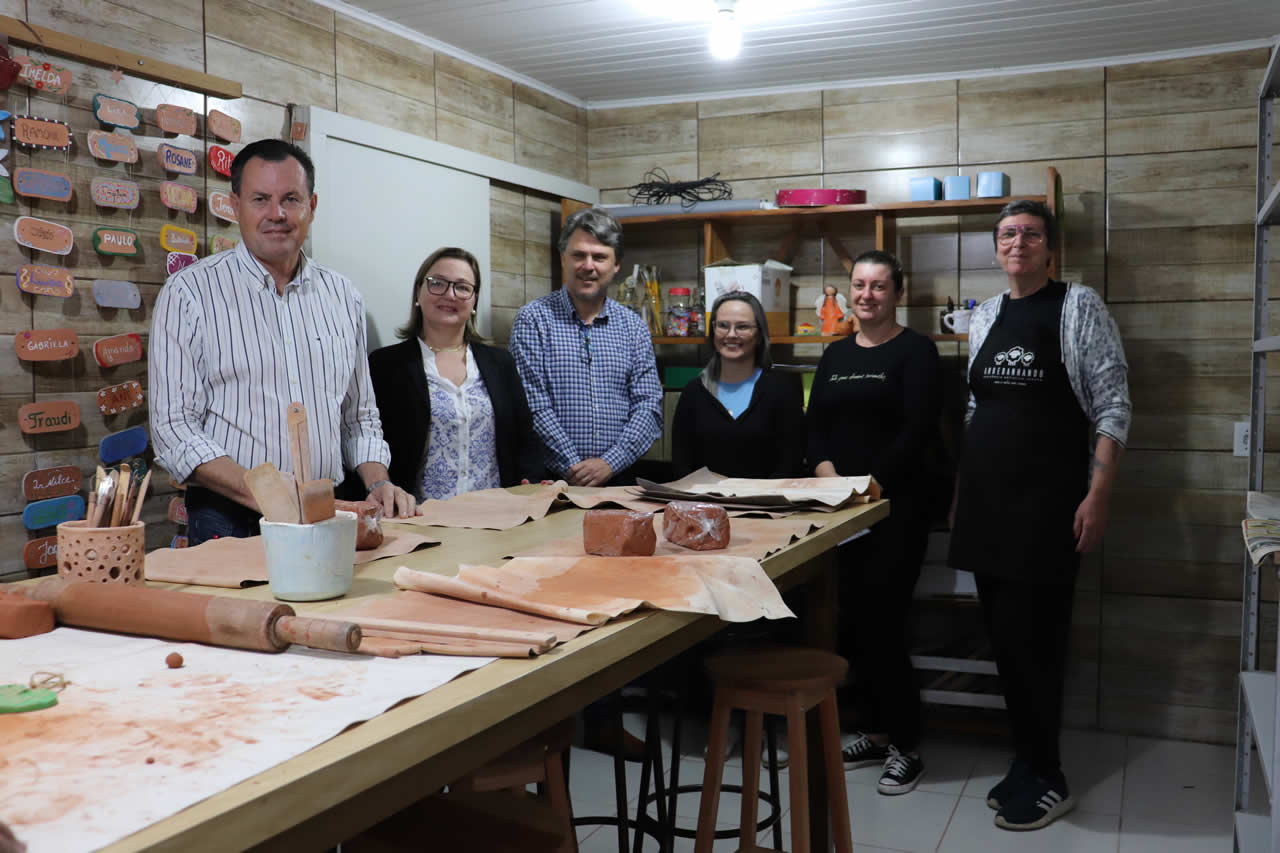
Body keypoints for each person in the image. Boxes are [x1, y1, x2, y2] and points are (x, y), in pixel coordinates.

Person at [949, 200, 1130, 831]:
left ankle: (1051, 774)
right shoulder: (987, 315)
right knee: (1002, 640)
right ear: (995, 247)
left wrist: (1098, 493)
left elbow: (1112, 405)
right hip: (987, 505)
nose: (1017, 241)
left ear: (1049, 248)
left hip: (1049, 506)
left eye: (1030, 233)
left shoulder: (1077, 306)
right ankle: (1025, 762)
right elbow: (977, 406)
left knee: (1040, 644)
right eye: (1007, 233)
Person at [150, 138, 415, 546]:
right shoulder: (190, 293)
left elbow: (358, 416)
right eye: (261, 199)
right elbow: (174, 429)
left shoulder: (344, 296)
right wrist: (273, 494)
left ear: (312, 205)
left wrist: (377, 481)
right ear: (235, 205)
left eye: (290, 198)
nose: (277, 214)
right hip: (232, 518)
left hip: (333, 507)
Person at [807, 249, 942, 796]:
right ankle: (876, 728)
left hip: (897, 507)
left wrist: (871, 484)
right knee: (853, 622)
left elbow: (917, 430)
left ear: (897, 293)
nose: (866, 295)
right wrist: (826, 472)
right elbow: (814, 426)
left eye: (878, 286)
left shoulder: (917, 352)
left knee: (885, 622)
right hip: (841, 511)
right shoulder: (835, 355)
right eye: (858, 285)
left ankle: (907, 746)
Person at [368, 247, 544, 499]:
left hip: (496, 520)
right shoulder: (386, 365)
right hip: (419, 521)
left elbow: (526, 439)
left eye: (462, 287)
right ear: (418, 292)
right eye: (437, 283)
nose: (449, 294)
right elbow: (372, 444)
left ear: (474, 300)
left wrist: (530, 488)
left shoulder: (500, 363)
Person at [509, 207, 663, 487]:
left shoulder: (634, 327)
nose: (588, 265)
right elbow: (533, 405)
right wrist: (574, 468)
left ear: (616, 265)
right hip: (552, 483)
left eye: (600, 257)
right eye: (579, 255)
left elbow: (648, 405)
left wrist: (610, 463)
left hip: (619, 480)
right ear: (562, 259)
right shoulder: (533, 320)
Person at [670, 292, 805, 479]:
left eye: (742, 327)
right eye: (723, 326)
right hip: (705, 505)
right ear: (713, 331)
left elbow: (791, 463)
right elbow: (681, 463)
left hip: (766, 506)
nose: (731, 334)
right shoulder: (694, 392)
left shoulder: (781, 391)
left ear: (759, 334)